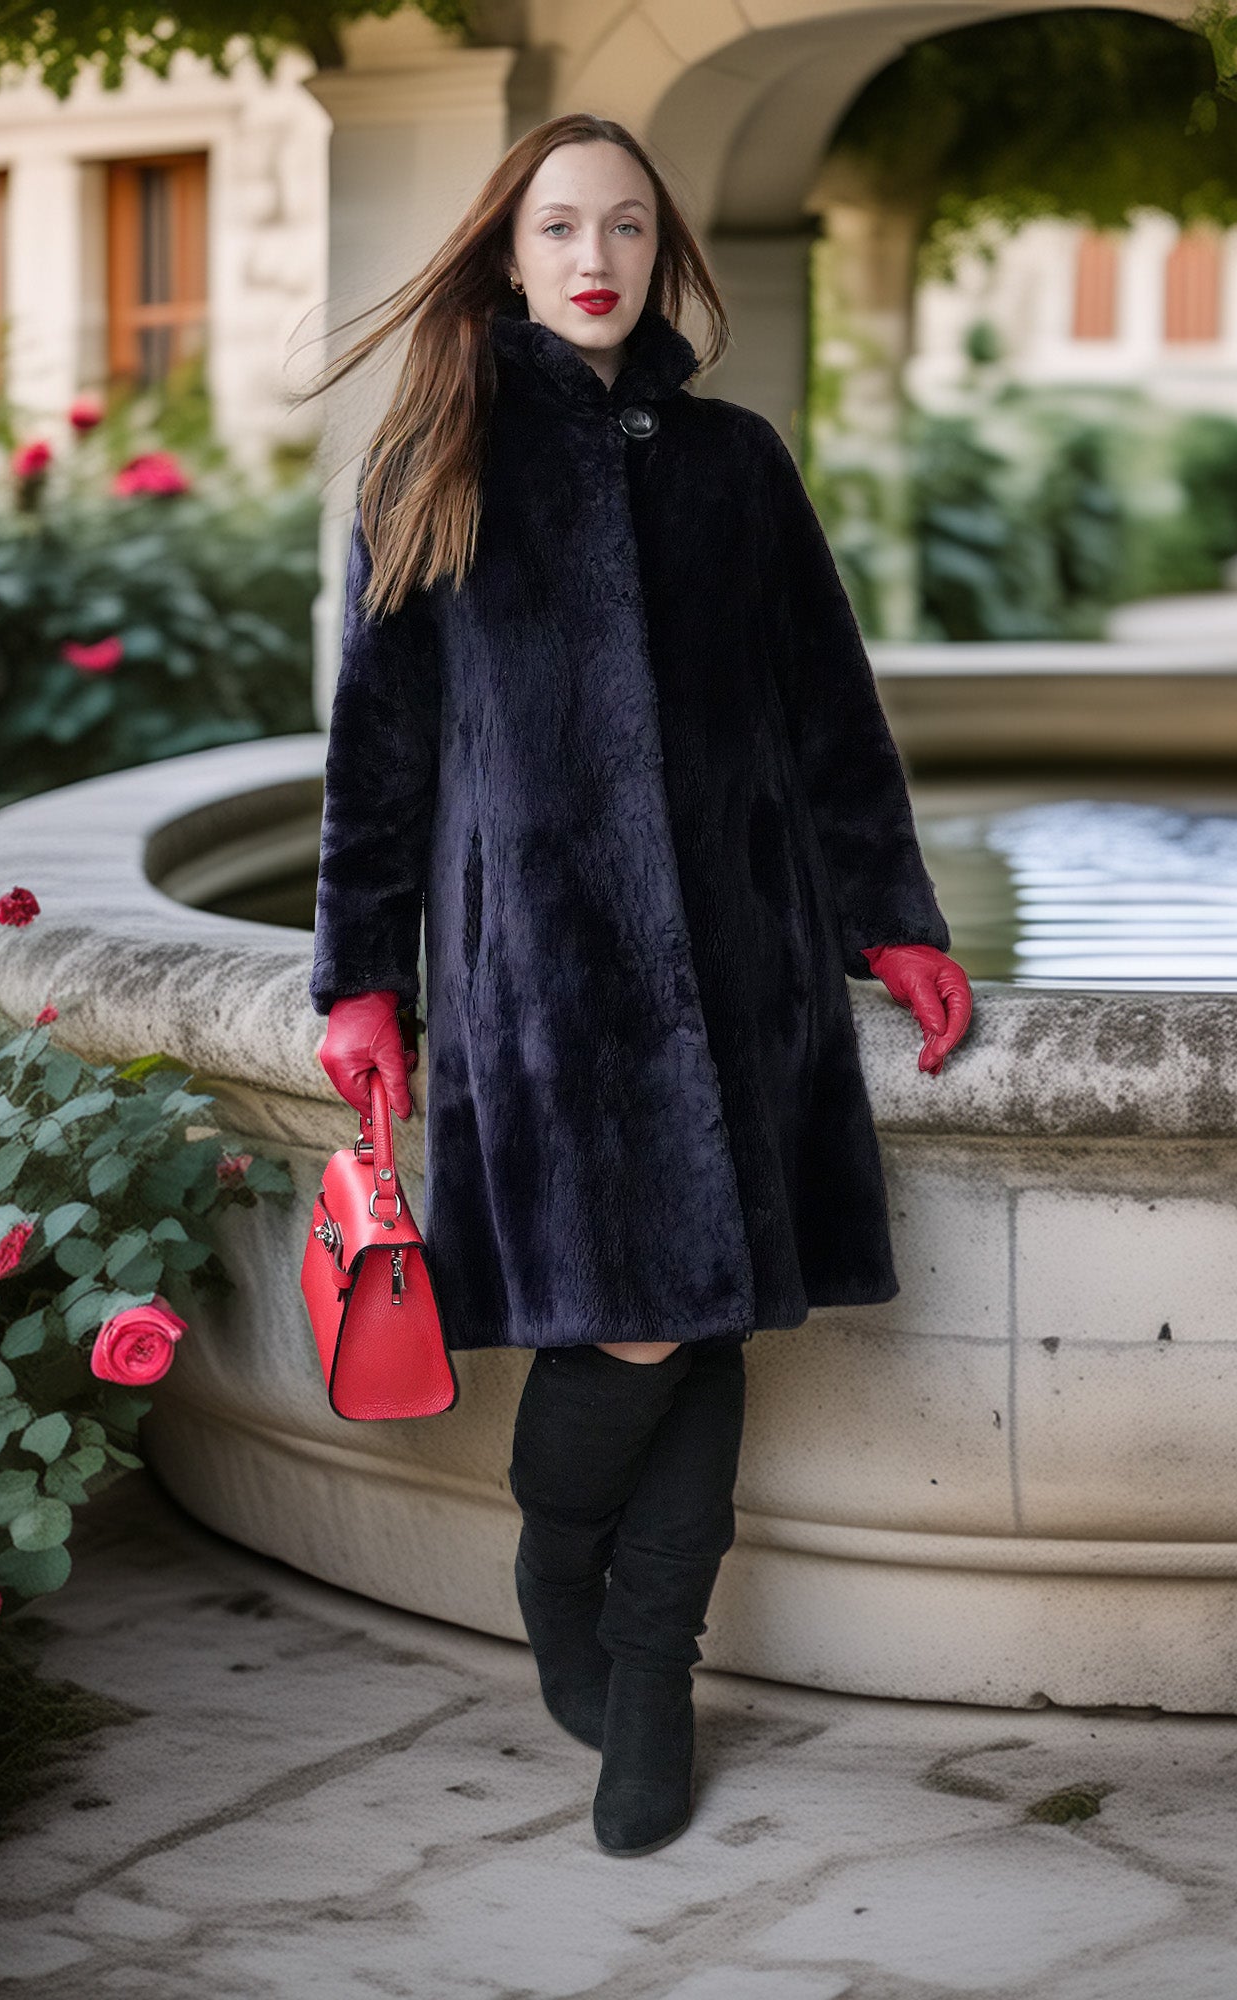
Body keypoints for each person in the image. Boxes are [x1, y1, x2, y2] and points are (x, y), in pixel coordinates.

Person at [306, 112, 973, 1857]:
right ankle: (557, 1570)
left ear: (660, 253)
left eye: (623, 226)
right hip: (542, 990)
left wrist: (887, 919)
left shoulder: (737, 465)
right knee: (638, 1323)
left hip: (743, 968)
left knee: (709, 1317)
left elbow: (830, 711)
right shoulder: (429, 464)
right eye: (556, 229)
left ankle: (652, 1687)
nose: (592, 258)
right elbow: (373, 762)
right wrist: (361, 978)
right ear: (507, 256)